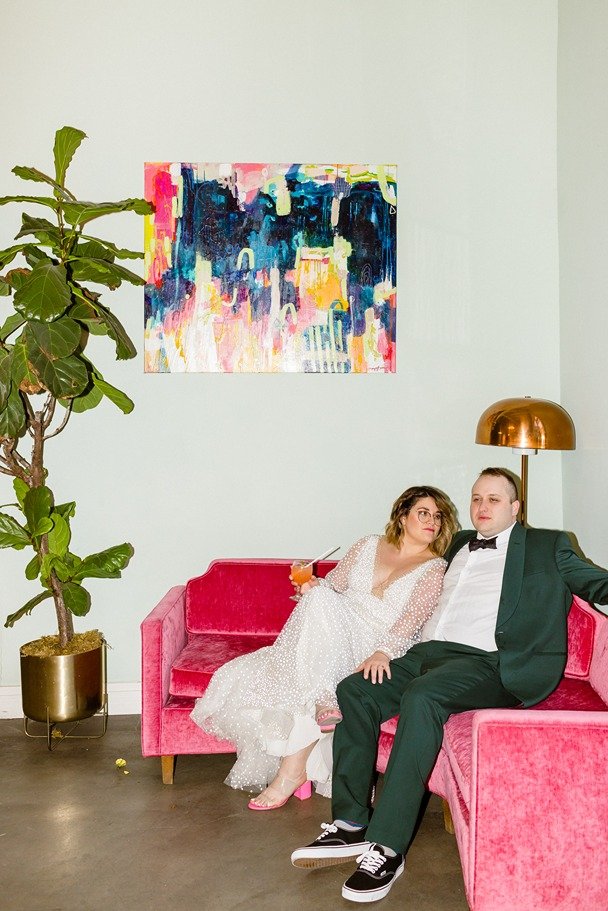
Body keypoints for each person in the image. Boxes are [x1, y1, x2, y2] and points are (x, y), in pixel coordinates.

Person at [291, 467, 608, 904]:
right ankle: (349, 824)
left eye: (494, 499)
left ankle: (387, 846)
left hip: (492, 664)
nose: (482, 507)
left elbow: (593, 581)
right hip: (427, 654)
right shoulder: (457, 541)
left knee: (424, 698)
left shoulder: (546, 544)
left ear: (516, 507)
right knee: (354, 690)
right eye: (477, 498)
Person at [190, 485, 458, 810]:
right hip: (335, 632)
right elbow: (333, 588)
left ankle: (293, 770)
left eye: (438, 516)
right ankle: (318, 711)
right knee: (318, 605)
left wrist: (382, 652)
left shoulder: (433, 567)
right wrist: (309, 587)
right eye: (423, 513)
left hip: (376, 641)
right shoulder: (367, 545)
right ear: (402, 515)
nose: (432, 521)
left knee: (310, 659)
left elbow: (412, 619)